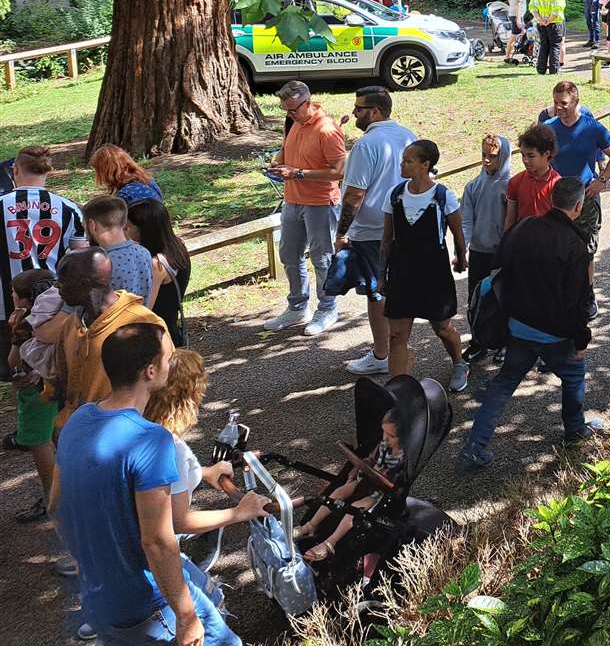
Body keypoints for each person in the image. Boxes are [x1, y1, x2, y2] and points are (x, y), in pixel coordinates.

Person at [53, 323, 242, 646]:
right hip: (148, 603)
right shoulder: (152, 441)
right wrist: (185, 616)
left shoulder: (79, 420)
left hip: (100, 596)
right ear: (150, 372)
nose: (171, 363)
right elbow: (158, 540)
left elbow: (56, 504)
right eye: (168, 359)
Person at [458, 178, 601, 470]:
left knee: (503, 384)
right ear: (578, 205)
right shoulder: (575, 245)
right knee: (573, 376)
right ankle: (574, 431)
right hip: (555, 334)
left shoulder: (523, 229)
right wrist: (581, 339)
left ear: (551, 199)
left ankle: (475, 445)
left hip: (519, 327)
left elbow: (499, 265)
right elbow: (579, 301)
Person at [143, 349, 270, 602]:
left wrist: (203, 472)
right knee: (213, 600)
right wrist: (239, 513)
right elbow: (178, 521)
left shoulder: (143, 427)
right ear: (190, 396)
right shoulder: (171, 448)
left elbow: (165, 481)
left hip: (134, 537)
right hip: (152, 551)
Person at [329, 87, 417, 375]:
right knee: (398, 289)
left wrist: (342, 233)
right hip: (405, 227)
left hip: (371, 232)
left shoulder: (367, 145)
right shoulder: (408, 136)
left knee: (376, 293)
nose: (354, 112)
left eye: (359, 108)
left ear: (376, 111)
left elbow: (354, 194)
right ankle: (399, 346)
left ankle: (382, 354)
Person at [45, 248, 169, 428]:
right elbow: (62, 382)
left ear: (85, 284)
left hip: (125, 438)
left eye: (62, 282)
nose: (58, 288)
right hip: (79, 435)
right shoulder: (71, 325)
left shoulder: (144, 325)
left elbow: (163, 389)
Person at [379, 140, 467, 388]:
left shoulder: (442, 196)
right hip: (401, 271)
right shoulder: (395, 195)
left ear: (425, 165)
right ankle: (397, 390)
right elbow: (387, 240)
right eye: (403, 160)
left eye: (408, 160)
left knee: (442, 328)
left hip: (433, 272)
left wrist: (461, 259)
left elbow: (458, 235)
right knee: (396, 335)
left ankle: (459, 362)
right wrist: (381, 275)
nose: (402, 164)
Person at [265, 81, 346, 334]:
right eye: (285, 110)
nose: (288, 115)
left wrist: (297, 173)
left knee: (322, 258)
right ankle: (298, 307)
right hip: (293, 201)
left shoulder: (327, 130)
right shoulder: (294, 124)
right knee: (289, 254)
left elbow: (338, 172)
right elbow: (287, 154)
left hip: (320, 203)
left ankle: (327, 308)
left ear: (308, 103)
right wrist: (278, 164)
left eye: (293, 110)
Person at [293, 409, 404, 563]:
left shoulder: (402, 458)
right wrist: (358, 468)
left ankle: (330, 543)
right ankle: (311, 525)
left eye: (391, 436)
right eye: (383, 432)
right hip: (365, 481)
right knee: (338, 492)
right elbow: (370, 459)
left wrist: (381, 473)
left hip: (380, 492)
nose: (385, 438)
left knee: (355, 509)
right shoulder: (383, 445)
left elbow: (394, 481)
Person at [1, 145, 85, 323]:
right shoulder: (69, 209)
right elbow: (81, 257)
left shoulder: (1, 205)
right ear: (48, 171)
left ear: (14, 170)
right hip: (52, 301)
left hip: (5, 304)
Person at [544, 81, 610, 268]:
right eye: (555, 102)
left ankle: (587, 294)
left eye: (563, 103)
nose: (558, 107)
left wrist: (602, 180)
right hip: (557, 199)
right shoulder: (548, 128)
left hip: (585, 198)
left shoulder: (593, 128)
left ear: (576, 101)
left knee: (586, 252)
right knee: (557, 250)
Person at [8, 268, 62, 523]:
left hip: (34, 390)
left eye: (13, 293)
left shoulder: (25, 321)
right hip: (58, 383)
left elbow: (13, 359)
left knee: (38, 441)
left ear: (24, 298)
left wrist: (14, 328)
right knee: (56, 434)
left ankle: (54, 499)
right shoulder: (58, 311)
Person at [461, 134, 511, 363]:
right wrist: (463, 247)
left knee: (502, 297)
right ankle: (478, 341)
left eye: (492, 156)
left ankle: (503, 342)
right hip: (480, 251)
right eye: (483, 155)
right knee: (476, 297)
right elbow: (466, 220)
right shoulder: (473, 186)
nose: (486, 161)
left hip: (501, 253)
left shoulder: (511, 186)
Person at [126, 200, 190, 347]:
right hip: (171, 327)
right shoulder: (178, 246)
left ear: (144, 230)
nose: (125, 233)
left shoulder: (157, 264)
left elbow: (146, 307)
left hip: (159, 335)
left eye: (128, 228)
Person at [85, 195, 155, 306]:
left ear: (92, 225)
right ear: (124, 222)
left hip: (109, 322)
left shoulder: (99, 263)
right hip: (140, 319)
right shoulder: (144, 252)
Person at [504, 124, 561, 230]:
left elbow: (562, 222)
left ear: (547, 154)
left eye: (531, 156)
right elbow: (510, 219)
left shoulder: (558, 184)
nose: (525, 160)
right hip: (522, 240)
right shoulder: (515, 182)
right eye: (523, 155)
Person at [90, 145, 164, 206]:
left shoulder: (124, 195)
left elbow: (114, 221)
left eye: (97, 171)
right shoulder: (148, 181)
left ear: (107, 171)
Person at [531, 0, 567, 76]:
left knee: (543, 45)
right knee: (555, 46)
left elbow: (532, 7)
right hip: (555, 23)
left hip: (541, 23)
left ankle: (541, 69)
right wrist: (549, 20)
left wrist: (540, 20)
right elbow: (557, 9)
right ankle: (553, 70)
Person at [504, 0, 531, 64]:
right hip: (516, 16)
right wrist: (518, 18)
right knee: (515, 35)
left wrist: (512, 7)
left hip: (514, 14)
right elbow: (519, 4)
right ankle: (508, 57)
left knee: (522, 33)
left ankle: (516, 50)